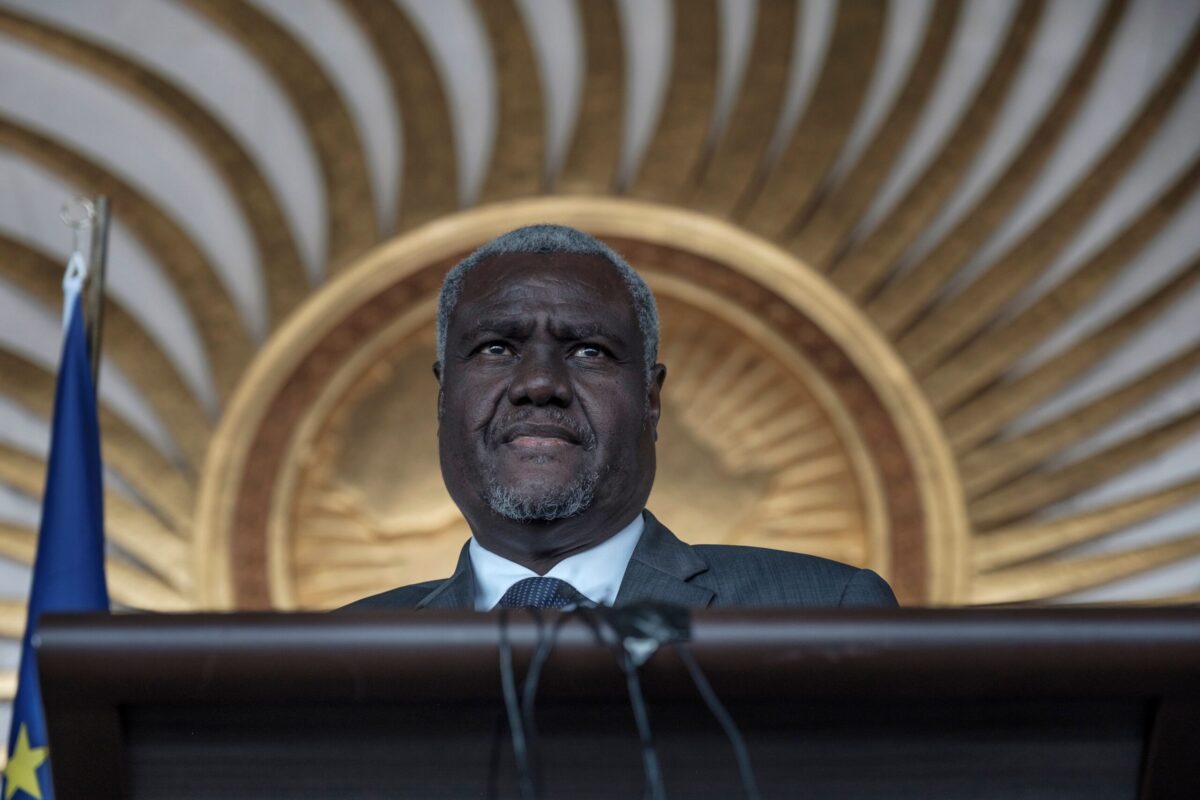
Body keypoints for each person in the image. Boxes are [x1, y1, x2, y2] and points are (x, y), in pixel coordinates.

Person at [348, 225, 897, 611]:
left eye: (589, 351)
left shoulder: (820, 611)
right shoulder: (341, 657)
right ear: (444, 397)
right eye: (497, 348)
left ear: (650, 400)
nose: (540, 383)